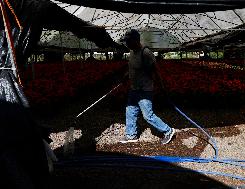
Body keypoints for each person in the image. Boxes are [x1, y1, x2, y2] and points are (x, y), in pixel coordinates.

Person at [0, 0, 119, 188]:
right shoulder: (31, 7)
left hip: (8, 86)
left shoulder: (25, 7)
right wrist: (95, 33)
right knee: (14, 143)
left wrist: (95, 33)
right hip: (7, 91)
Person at [120, 29, 175, 145]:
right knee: (130, 111)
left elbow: (156, 71)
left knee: (148, 116)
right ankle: (131, 135)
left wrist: (162, 86)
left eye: (128, 41)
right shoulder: (132, 52)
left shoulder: (145, 53)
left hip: (144, 90)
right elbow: (132, 68)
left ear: (136, 40)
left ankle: (168, 131)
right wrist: (126, 76)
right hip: (134, 88)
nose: (126, 44)